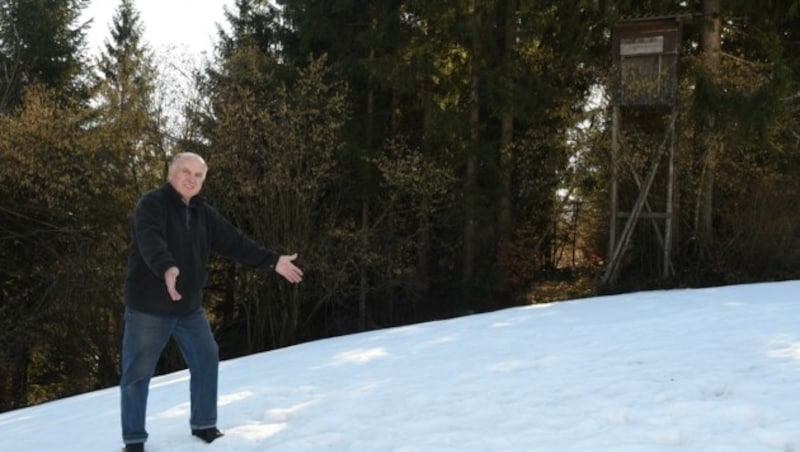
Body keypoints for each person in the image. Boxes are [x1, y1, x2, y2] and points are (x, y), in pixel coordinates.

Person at [120, 152, 303, 452]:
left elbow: (236, 242)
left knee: (206, 358)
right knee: (137, 373)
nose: (191, 179)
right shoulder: (151, 205)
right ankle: (134, 440)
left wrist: (273, 262)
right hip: (149, 309)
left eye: (198, 175)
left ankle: (204, 424)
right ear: (171, 173)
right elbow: (151, 241)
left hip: (188, 308)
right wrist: (168, 268)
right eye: (186, 172)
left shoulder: (204, 213)